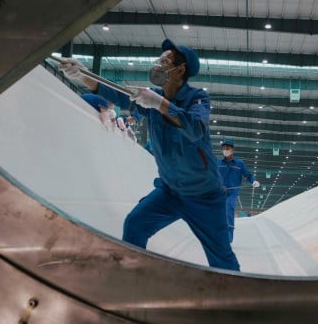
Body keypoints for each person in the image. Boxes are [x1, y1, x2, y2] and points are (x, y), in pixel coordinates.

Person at [55, 39, 241, 271]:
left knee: (221, 256)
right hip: (170, 191)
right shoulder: (151, 98)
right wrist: (82, 75)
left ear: (180, 70)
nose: (159, 64)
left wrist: (160, 104)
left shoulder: (197, 98)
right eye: (159, 60)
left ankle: (237, 303)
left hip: (204, 196)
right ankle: (132, 279)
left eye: (165, 61)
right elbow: (119, 95)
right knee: (135, 225)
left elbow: (194, 127)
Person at [217, 140, 260, 243]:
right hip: (220, 192)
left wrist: (253, 181)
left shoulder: (239, 163)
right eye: (224, 148)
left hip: (232, 193)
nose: (225, 150)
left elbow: (248, 175)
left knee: (229, 208)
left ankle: (228, 237)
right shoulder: (218, 163)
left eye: (227, 148)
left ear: (232, 149)